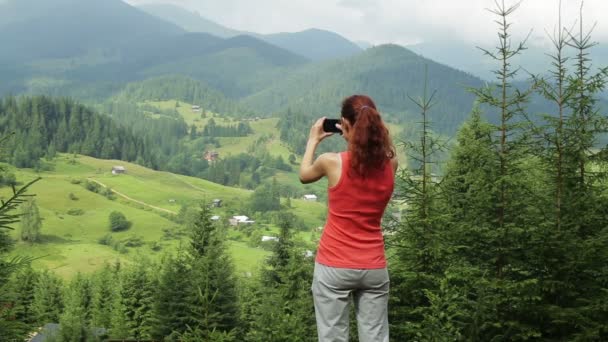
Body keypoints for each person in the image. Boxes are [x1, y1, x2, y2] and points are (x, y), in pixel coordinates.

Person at [299, 94, 397, 342]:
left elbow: (304, 175)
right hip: (374, 266)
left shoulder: (331, 162)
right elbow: (380, 152)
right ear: (376, 125)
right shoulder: (391, 163)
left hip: (334, 264)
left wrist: (313, 139)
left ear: (345, 123)